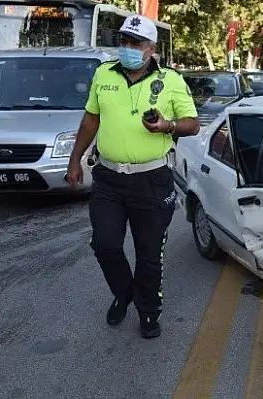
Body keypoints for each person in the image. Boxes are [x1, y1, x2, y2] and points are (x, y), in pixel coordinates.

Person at [66, 14, 200, 339]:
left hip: (152, 181)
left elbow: (192, 124)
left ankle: (148, 312)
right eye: (123, 41)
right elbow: (90, 121)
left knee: (149, 254)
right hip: (109, 180)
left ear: (151, 48)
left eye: (135, 43)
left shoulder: (170, 80)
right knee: (105, 244)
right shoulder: (103, 74)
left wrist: (166, 125)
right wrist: (75, 160)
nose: (127, 48)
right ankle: (124, 292)